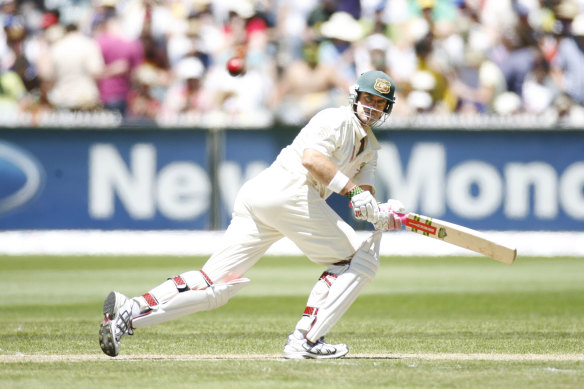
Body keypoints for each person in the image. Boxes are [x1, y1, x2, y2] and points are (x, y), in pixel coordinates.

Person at [98, 70, 406, 359]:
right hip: (289, 189)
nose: (373, 108)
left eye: (380, 103)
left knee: (214, 286)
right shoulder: (335, 119)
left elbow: (363, 194)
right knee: (357, 260)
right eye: (368, 99)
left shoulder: (371, 148)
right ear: (355, 97)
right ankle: (306, 339)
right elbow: (313, 160)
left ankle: (131, 310)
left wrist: (381, 213)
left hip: (264, 196)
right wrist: (356, 194)